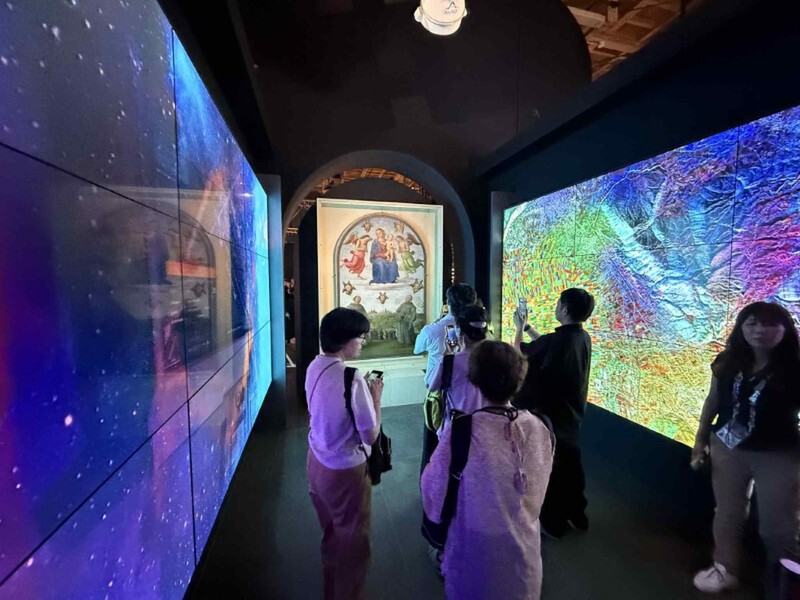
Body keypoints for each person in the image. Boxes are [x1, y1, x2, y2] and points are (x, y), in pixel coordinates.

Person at [421, 340, 554, 600]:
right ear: (519, 378)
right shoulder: (541, 427)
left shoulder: (462, 431)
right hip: (525, 557)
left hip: (474, 556)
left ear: (475, 379)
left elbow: (433, 491)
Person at [691, 301, 800, 597]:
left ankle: (783, 581)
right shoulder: (728, 360)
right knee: (727, 512)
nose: (759, 330)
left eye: (769, 324)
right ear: (741, 328)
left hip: (778, 453)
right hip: (727, 447)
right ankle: (724, 568)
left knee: (778, 525)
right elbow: (713, 401)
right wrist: (700, 440)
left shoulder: (794, 368)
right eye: (751, 323)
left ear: (785, 329)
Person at [305, 308, 383, 600]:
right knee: (354, 545)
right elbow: (370, 435)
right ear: (345, 340)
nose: (362, 342)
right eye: (360, 337)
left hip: (316, 461)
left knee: (331, 533)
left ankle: (331, 589)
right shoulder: (352, 378)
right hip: (345, 472)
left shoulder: (314, 365)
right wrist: (376, 400)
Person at [513, 287, 595, 538]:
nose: (556, 307)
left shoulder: (556, 341)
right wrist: (528, 327)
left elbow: (521, 352)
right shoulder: (582, 337)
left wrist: (518, 329)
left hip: (551, 414)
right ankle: (577, 513)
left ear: (565, 309)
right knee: (571, 463)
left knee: (550, 467)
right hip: (572, 411)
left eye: (559, 303)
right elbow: (544, 345)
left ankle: (553, 521)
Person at [414, 283, 478, 470]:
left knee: (433, 447)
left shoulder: (433, 329)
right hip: (470, 395)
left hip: (439, 395)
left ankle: (432, 480)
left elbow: (417, 349)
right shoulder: (478, 331)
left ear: (448, 304)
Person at [427, 304, 490, 434]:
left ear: (459, 331)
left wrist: (446, 355)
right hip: (485, 429)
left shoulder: (449, 361)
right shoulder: (495, 359)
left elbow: (431, 386)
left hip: (454, 430)